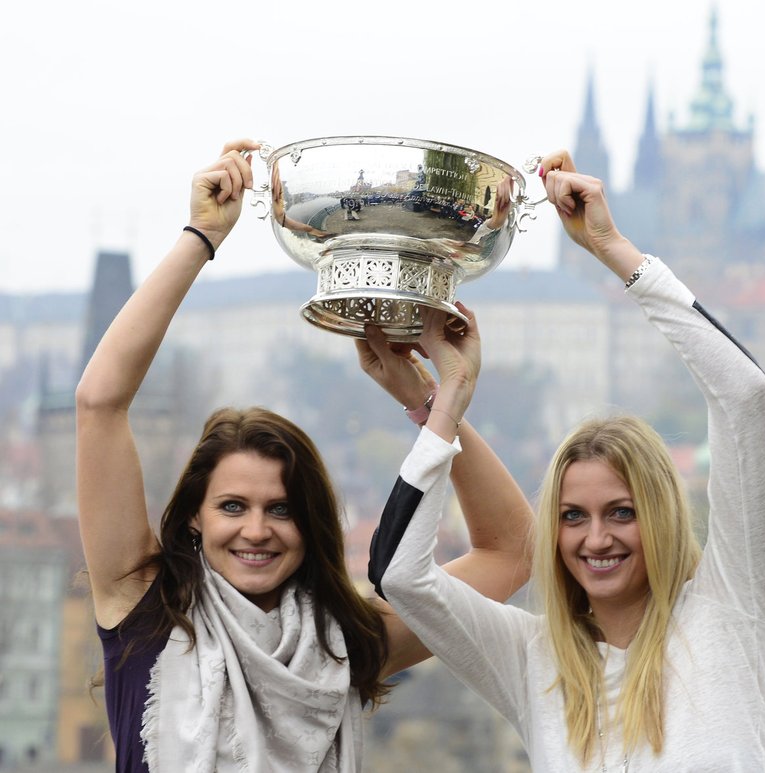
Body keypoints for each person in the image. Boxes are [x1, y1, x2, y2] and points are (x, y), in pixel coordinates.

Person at [76, 140, 533, 772]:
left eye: (282, 509)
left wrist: (431, 398)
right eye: (233, 505)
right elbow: (100, 404)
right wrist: (201, 237)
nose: (256, 530)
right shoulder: (145, 616)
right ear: (193, 519)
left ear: (311, 525)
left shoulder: (347, 643)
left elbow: (511, 551)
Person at [370, 150, 765, 771]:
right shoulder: (531, 656)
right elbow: (401, 578)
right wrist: (444, 404)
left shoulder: (733, 606)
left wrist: (610, 247)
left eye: (621, 511)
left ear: (661, 515)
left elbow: (746, 394)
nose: (597, 538)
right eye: (572, 516)